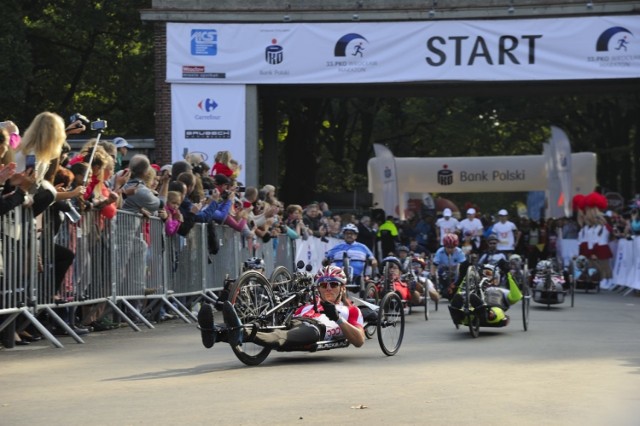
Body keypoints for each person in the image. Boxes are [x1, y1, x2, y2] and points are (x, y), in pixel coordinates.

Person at [197, 265, 365, 350]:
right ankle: (214, 333)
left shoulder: (351, 310)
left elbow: (359, 340)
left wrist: (337, 318)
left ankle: (240, 332)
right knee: (265, 326)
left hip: (316, 329)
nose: (328, 288)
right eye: (323, 285)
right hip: (295, 320)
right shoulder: (311, 300)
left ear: (342, 288)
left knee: (279, 335)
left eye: (333, 284)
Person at [448, 263, 522, 327]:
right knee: (460, 296)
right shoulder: (475, 287)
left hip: (494, 311)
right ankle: (458, 317)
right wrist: (466, 275)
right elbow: (460, 293)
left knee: (494, 305)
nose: (484, 276)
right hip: (473, 311)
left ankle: (486, 313)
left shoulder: (502, 290)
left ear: (496, 278)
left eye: (488, 274)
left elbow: (516, 297)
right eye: (482, 274)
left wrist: (508, 273)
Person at [324, 223, 377, 291]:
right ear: (344, 235)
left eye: (351, 233)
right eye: (347, 233)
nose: (349, 235)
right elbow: (325, 259)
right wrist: (325, 260)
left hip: (359, 276)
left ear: (356, 236)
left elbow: (373, 259)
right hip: (338, 274)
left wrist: (373, 262)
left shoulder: (362, 247)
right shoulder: (337, 247)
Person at [431, 233, 467, 299]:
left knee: (459, 271)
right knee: (442, 273)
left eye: (452, 247)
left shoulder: (459, 252)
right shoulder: (439, 252)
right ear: (444, 246)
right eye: (448, 247)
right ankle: (444, 289)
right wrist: (433, 276)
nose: (450, 250)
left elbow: (463, 265)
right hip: (444, 269)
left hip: (456, 269)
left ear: (455, 246)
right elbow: (434, 265)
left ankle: (456, 287)